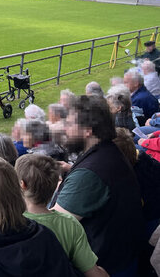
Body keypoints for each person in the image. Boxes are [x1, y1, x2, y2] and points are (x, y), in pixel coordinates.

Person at [52, 95, 144, 275]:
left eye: (69, 124)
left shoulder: (90, 174)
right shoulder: (109, 151)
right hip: (123, 258)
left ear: (88, 130)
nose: (64, 128)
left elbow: (54, 228)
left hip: (106, 267)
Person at [15, 154, 108, 277]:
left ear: (22, 184)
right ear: (56, 184)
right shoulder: (69, 223)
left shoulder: (11, 222)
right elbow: (92, 272)